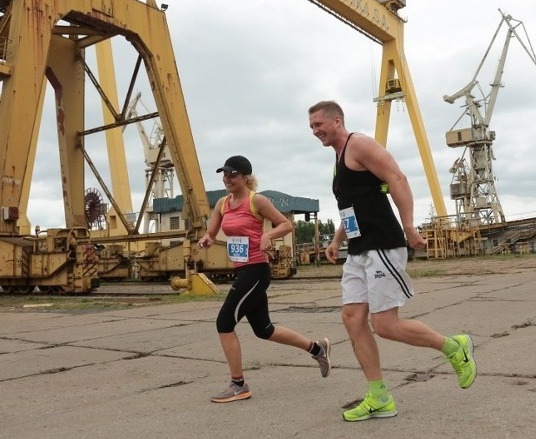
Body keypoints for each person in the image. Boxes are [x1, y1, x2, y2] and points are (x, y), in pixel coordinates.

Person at [307, 100, 477, 422]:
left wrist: (410, 226)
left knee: (385, 325)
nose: (316, 131)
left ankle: (455, 347)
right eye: (312, 127)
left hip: (381, 245)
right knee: (352, 319)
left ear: (337, 121)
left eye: (319, 124)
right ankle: (379, 397)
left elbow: (397, 178)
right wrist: (336, 240)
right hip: (358, 250)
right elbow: (353, 207)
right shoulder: (338, 160)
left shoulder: (359, 144)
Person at [198, 154, 332, 403]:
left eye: (232, 174)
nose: (227, 178)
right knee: (264, 330)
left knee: (224, 323)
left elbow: (286, 225)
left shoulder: (256, 201)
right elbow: (212, 230)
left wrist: (268, 236)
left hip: (256, 271)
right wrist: (206, 238)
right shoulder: (222, 204)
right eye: (224, 174)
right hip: (242, 270)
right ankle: (317, 348)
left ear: (245, 177)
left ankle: (238, 385)